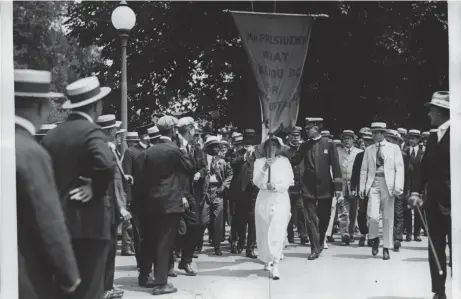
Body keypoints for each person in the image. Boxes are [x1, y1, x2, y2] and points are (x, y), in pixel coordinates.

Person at [43, 76, 115, 299]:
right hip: (90, 226)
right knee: (91, 290)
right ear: (96, 105)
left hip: (59, 225)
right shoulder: (92, 132)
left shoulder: (52, 135)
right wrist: (96, 188)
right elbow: (106, 163)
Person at [15, 69, 81, 299]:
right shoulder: (30, 152)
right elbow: (48, 222)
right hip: (23, 276)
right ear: (40, 106)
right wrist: (69, 276)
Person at [137, 115, 195, 295]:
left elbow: (140, 179)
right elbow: (190, 167)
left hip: (149, 202)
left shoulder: (147, 152)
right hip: (169, 203)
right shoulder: (174, 150)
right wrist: (183, 148)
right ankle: (161, 283)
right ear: (173, 130)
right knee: (164, 242)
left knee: (151, 240)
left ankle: (146, 275)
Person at [408, 91, 450, 299]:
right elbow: (423, 168)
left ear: (442, 113)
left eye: (432, 111)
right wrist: (416, 191)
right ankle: (439, 292)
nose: (429, 115)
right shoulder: (433, 135)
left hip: (454, 203)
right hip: (433, 203)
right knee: (435, 248)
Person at [290, 118, 343, 261]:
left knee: (324, 218)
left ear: (317, 128)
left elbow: (336, 167)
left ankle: (319, 242)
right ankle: (314, 248)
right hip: (308, 187)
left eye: (309, 129)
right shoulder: (304, 145)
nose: (307, 131)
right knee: (311, 219)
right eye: (306, 129)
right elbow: (294, 160)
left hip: (326, 187)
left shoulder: (329, 144)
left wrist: (338, 187)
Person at [359, 122, 404, 260]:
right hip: (374, 184)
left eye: (375, 133)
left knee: (388, 217)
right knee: (372, 216)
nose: (373, 135)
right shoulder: (369, 149)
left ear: (382, 134)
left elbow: (399, 168)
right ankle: (374, 239)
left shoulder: (394, 148)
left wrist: (398, 186)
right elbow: (364, 169)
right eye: (372, 133)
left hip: (388, 185)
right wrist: (362, 186)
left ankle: (386, 247)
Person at [253, 136, 294, 280]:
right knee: (264, 229)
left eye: (274, 146)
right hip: (264, 198)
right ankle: (267, 258)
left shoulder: (284, 162)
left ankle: (276, 263)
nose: (271, 149)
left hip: (280, 198)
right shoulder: (259, 162)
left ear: (278, 148)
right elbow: (256, 181)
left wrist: (276, 186)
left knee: (277, 229)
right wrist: (265, 168)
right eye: (268, 146)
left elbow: (289, 181)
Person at [199, 136, 233, 256]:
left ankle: (217, 246)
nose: (215, 149)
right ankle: (198, 243)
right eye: (212, 146)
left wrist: (223, 186)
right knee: (203, 220)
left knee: (218, 221)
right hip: (205, 192)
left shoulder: (222, 161)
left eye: (217, 146)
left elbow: (230, 175)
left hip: (218, 191)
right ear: (207, 147)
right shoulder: (202, 160)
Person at [337, 130, 363, 245]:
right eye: (345, 138)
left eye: (349, 138)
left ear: (354, 140)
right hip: (342, 185)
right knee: (343, 210)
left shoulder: (359, 152)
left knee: (354, 211)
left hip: (355, 186)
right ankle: (345, 234)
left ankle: (351, 232)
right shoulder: (338, 152)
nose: (347, 140)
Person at [350, 132, 374, 247]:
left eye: (370, 141)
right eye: (366, 142)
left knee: (372, 213)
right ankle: (364, 233)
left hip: (374, 188)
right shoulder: (359, 156)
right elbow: (355, 173)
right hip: (362, 188)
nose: (367, 144)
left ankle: (371, 235)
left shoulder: (377, 156)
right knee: (362, 212)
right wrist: (353, 187)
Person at [286, 127, 308, 245]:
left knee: (302, 210)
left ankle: (303, 234)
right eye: (293, 136)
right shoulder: (286, 149)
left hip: (301, 183)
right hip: (289, 184)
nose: (295, 138)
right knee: (288, 210)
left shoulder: (303, 148)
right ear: (289, 137)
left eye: (297, 136)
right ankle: (290, 236)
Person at [403, 129, 424, 242]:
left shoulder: (422, 153)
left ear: (418, 139)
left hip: (418, 186)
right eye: (410, 138)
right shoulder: (404, 152)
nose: (411, 140)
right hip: (407, 185)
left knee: (418, 210)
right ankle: (408, 233)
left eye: (414, 138)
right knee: (407, 209)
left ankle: (417, 233)